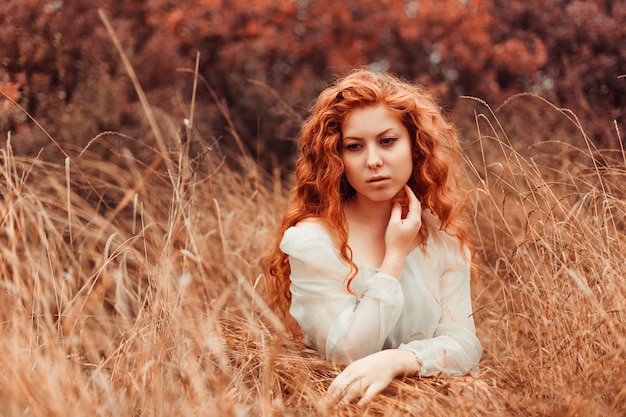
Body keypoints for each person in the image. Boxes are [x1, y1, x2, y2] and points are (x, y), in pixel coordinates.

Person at [261, 68, 482, 407]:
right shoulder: (312, 242)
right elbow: (348, 352)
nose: (374, 161)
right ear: (338, 158)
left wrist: (396, 361)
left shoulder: (442, 235)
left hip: (431, 402)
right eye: (354, 147)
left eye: (388, 141)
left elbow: (464, 345)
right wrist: (394, 257)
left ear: (415, 146)